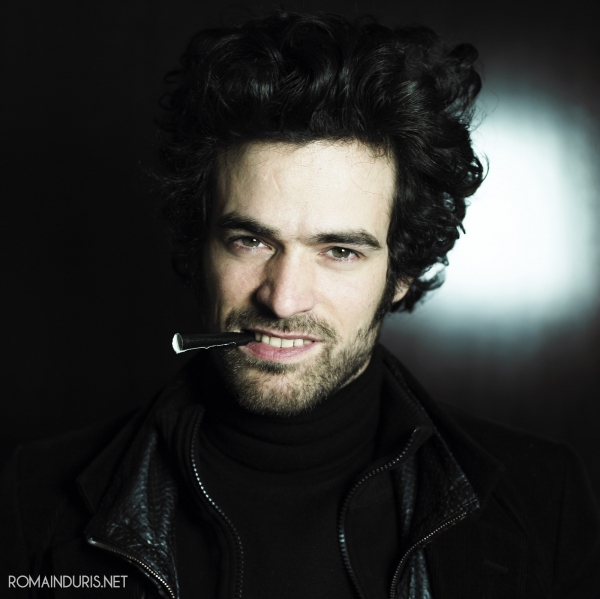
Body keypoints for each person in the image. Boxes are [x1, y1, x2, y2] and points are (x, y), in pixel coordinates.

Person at [2, 10, 599, 599]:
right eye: (251, 241)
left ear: (400, 273)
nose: (284, 300)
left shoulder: (542, 498)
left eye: (339, 251)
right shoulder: (36, 498)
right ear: (198, 246)